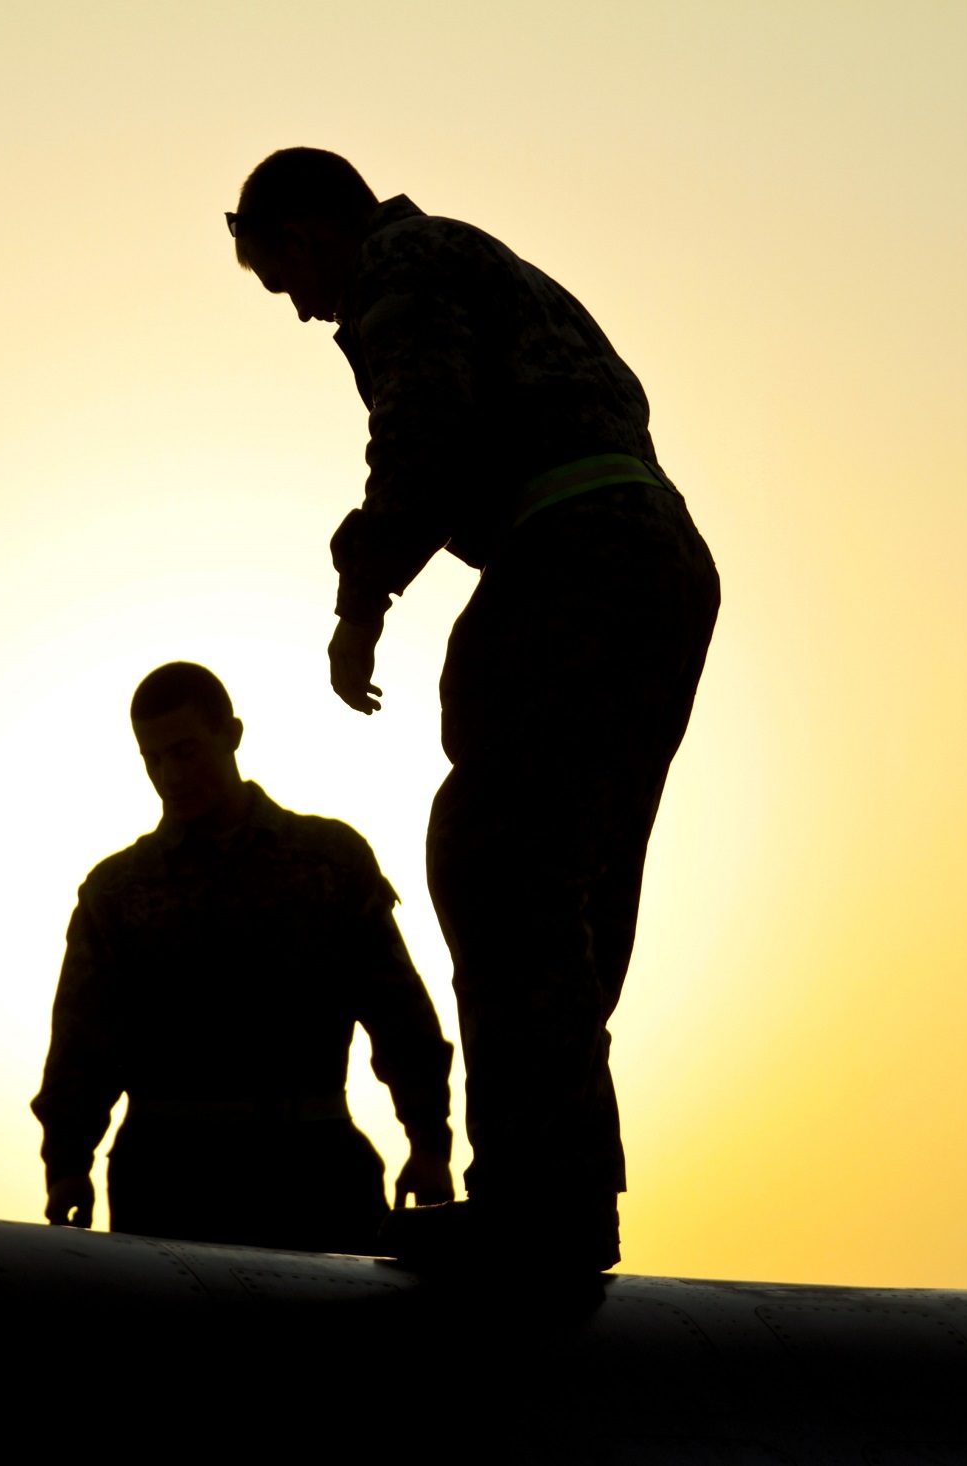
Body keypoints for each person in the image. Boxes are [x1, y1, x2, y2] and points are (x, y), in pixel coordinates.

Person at [227, 149, 721, 1271]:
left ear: (303, 237)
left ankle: (537, 1200)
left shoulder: (402, 266)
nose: (305, 312)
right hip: (653, 560)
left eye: (287, 281)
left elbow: (426, 432)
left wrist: (363, 594)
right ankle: (565, 1189)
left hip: (576, 556)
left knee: (499, 862)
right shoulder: (485, 264)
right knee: (571, 886)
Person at [31, 661, 455, 1254]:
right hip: (168, 1185)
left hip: (314, 1175)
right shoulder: (117, 891)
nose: (171, 776)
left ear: (230, 734)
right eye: (153, 760)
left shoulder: (330, 860)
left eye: (186, 752)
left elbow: (399, 1013)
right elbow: (82, 1043)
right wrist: (67, 1166)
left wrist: (430, 1144)